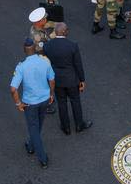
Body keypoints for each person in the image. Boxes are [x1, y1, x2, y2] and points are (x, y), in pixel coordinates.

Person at [10, 37, 55, 169]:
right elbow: (52, 80)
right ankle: (30, 144)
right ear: (35, 48)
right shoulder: (45, 62)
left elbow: (13, 89)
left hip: (30, 103)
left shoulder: (21, 67)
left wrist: (18, 103)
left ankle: (43, 158)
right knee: (38, 124)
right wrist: (51, 94)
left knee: (34, 128)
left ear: (24, 51)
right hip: (44, 99)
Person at [42, 22, 92, 135]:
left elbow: (46, 63)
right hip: (71, 79)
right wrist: (82, 80)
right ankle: (79, 125)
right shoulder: (72, 45)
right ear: (65, 32)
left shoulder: (48, 46)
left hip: (57, 80)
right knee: (75, 101)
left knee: (61, 102)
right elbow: (78, 64)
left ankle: (66, 127)